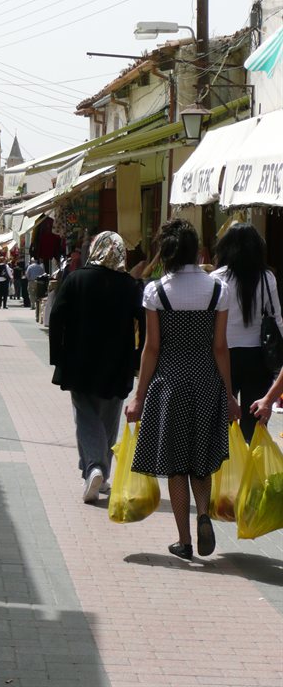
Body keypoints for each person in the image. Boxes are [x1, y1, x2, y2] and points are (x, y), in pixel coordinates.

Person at [125, 219, 240, 561]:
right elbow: (221, 347)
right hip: (207, 380)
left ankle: (184, 540)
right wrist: (230, 395)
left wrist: (139, 396)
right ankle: (203, 512)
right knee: (201, 461)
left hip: (169, 384)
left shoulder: (156, 292)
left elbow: (152, 349)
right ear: (197, 250)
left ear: (166, 252)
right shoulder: (219, 290)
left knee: (176, 465)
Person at [49, 231, 145, 503]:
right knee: (108, 417)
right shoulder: (129, 285)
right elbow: (145, 319)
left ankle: (94, 468)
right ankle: (100, 472)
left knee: (86, 415)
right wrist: (138, 356)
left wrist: (58, 354)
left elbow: (56, 315)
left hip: (79, 360)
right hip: (117, 362)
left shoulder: (76, 279)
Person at [210, 223, 283, 442]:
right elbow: (276, 317)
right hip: (257, 358)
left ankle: (227, 471)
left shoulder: (216, 278)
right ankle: (250, 472)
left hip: (223, 355)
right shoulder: (267, 277)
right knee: (254, 425)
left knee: (222, 423)